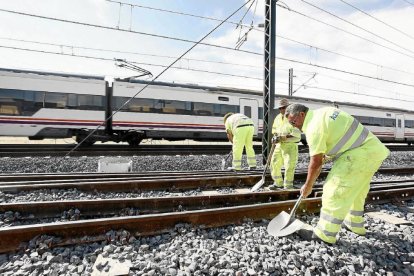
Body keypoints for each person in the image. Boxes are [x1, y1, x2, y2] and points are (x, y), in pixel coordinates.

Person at [285, 104, 389, 244]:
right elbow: (341, 136)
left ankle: (325, 234)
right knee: (356, 191)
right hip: (374, 150)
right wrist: (328, 155)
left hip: (358, 155)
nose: (294, 126)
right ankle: (355, 224)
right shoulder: (325, 111)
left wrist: (308, 185)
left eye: (293, 122)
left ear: (302, 114)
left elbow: (315, 163)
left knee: (334, 190)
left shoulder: (313, 128)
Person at [268, 99, 301, 190]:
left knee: (289, 166)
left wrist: (281, 138)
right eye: (280, 108)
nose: (281, 109)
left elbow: (296, 136)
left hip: (290, 146)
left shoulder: (294, 118)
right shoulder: (278, 117)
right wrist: (275, 137)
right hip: (279, 145)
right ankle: (278, 183)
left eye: (284, 107)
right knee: (274, 163)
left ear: (288, 107)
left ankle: (288, 186)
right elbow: (274, 130)